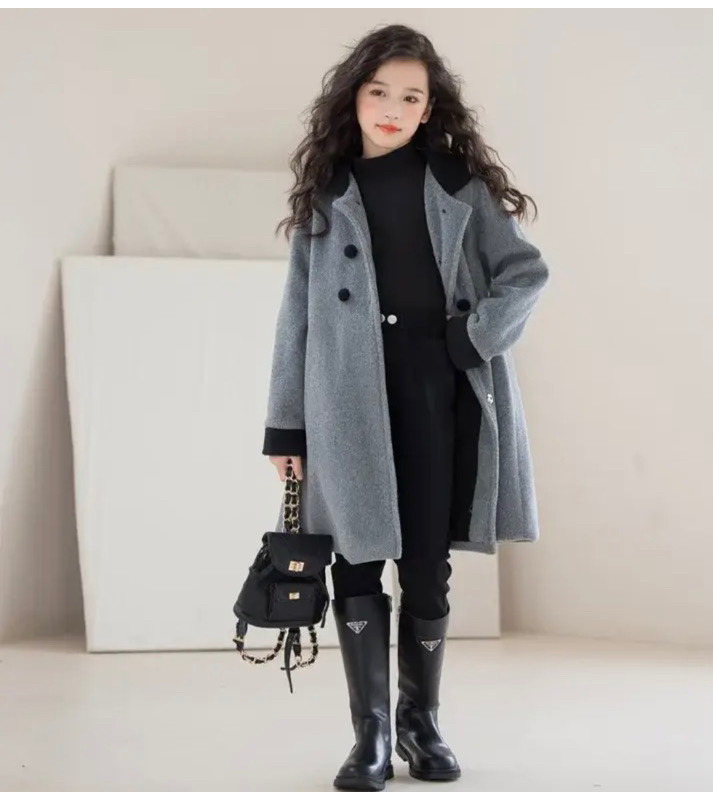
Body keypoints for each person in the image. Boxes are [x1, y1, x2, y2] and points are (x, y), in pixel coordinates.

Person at [262, 23, 549, 792]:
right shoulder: (327, 193)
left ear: (430, 108)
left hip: (434, 393)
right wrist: (285, 426)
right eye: (379, 91)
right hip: (344, 402)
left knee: (425, 564)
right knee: (354, 560)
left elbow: (526, 273)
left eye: (411, 97)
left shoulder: (459, 185)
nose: (393, 108)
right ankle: (372, 735)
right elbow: (296, 319)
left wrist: (469, 339)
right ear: (353, 97)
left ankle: (422, 723)